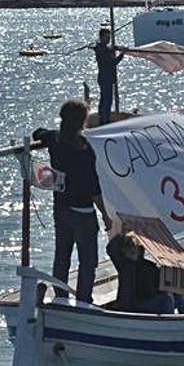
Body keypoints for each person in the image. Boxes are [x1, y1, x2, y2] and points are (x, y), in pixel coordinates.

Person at [32, 100, 113, 304]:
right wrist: (105, 215)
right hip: (84, 212)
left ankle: (60, 296)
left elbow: (38, 133)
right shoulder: (86, 150)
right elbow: (94, 189)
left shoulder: (55, 141)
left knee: (62, 255)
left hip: (62, 208)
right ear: (82, 122)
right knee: (88, 261)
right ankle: (84, 299)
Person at [107, 232, 184, 314]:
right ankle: (167, 325)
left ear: (139, 250)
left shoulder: (149, 266)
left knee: (178, 295)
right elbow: (110, 249)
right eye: (128, 248)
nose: (131, 249)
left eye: (133, 247)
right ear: (124, 251)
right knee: (166, 299)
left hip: (149, 302)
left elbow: (163, 285)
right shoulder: (124, 266)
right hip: (131, 305)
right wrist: (123, 233)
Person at [93, 28, 124, 125]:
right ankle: (104, 121)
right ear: (101, 37)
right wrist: (122, 54)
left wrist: (113, 50)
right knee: (107, 100)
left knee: (104, 99)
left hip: (105, 78)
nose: (108, 39)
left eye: (109, 37)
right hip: (105, 78)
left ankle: (103, 118)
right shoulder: (102, 50)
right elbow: (113, 62)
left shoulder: (103, 48)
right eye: (106, 37)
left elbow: (109, 51)